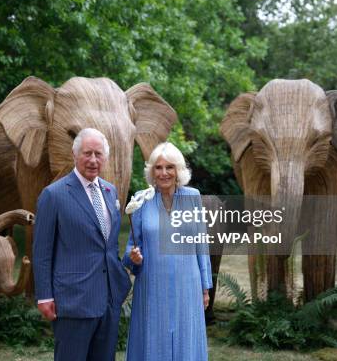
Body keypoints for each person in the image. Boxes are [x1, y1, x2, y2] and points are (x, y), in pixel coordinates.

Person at [33, 127, 132, 361]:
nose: (93, 160)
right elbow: (41, 252)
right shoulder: (53, 195)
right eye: (87, 153)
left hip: (109, 299)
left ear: (105, 158)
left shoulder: (110, 191)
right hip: (73, 300)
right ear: (75, 154)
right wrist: (44, 296)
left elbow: (108, 245)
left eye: (99, 154)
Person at [122, 142, 212, 360]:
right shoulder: (141, 199)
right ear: (152, 171)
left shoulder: (193, 197)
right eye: (158, 167)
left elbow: (201, 244)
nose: (164, 173)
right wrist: (133, 257)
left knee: (185, 338)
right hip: (152, 285)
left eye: (169, 167)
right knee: (154, 338)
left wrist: (205, 287)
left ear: (178, 170)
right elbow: (131, 248)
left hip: (188, 285)